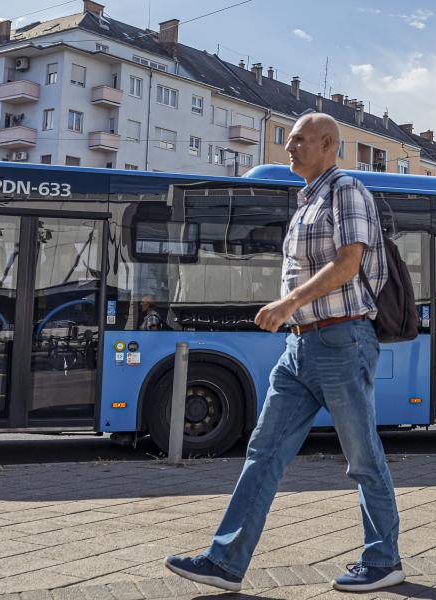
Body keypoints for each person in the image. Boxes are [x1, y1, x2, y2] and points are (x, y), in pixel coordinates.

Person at [164, 112, 403, 593]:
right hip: (300, 346)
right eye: (289, 140)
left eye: (298, 140)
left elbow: (349, 262)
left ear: (329, 144)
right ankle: (224, 561)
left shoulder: (347, 190)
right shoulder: (305, 201)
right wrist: (294, 315)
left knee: (362, 457)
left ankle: (384, 560)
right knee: (263, 451)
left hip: (341, 340)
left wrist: (289, 302)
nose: (288, 148)